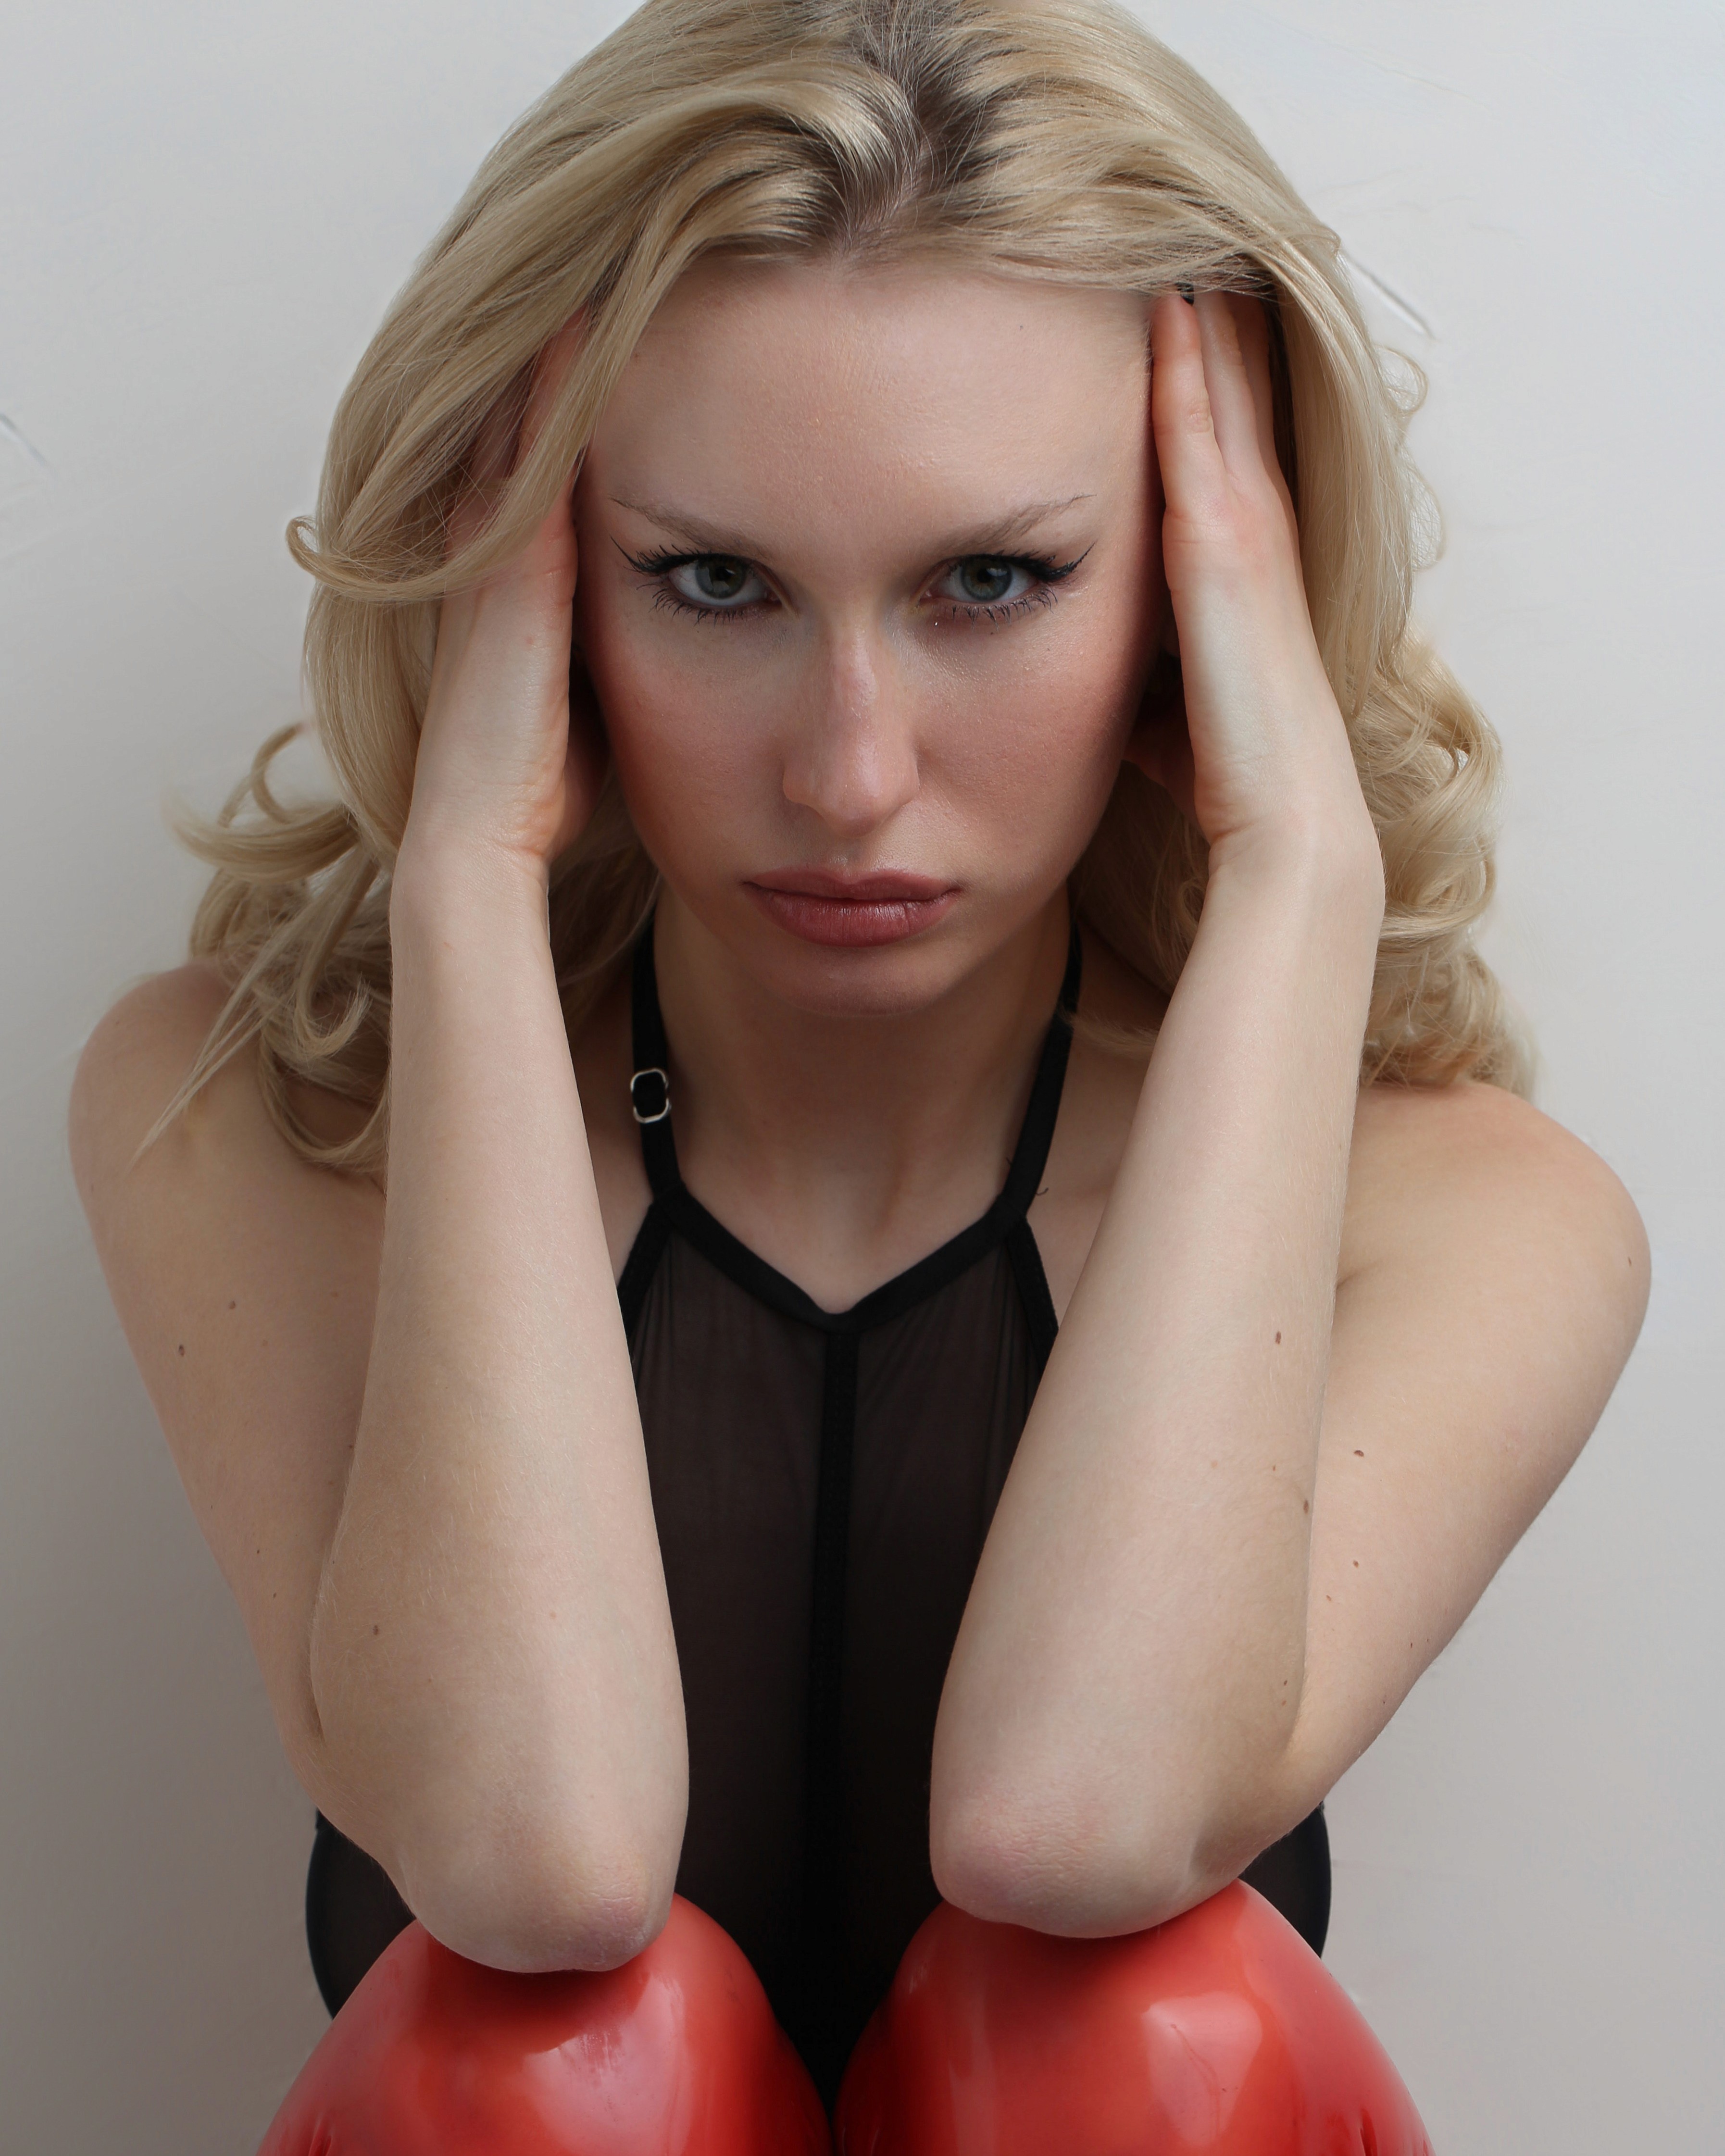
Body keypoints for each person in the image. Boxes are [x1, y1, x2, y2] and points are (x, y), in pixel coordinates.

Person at [68, 0, 1648, 2123]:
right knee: (535, 2055)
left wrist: (1297, 874)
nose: (849, 775)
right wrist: (467, 883)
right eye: (712, 581)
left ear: (1199, 596)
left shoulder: (1477, 1221)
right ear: (536, 578)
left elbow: (1076, 1825)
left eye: (992, 579)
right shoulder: (241, 1122)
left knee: (1135, 2024)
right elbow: (537, 1864)